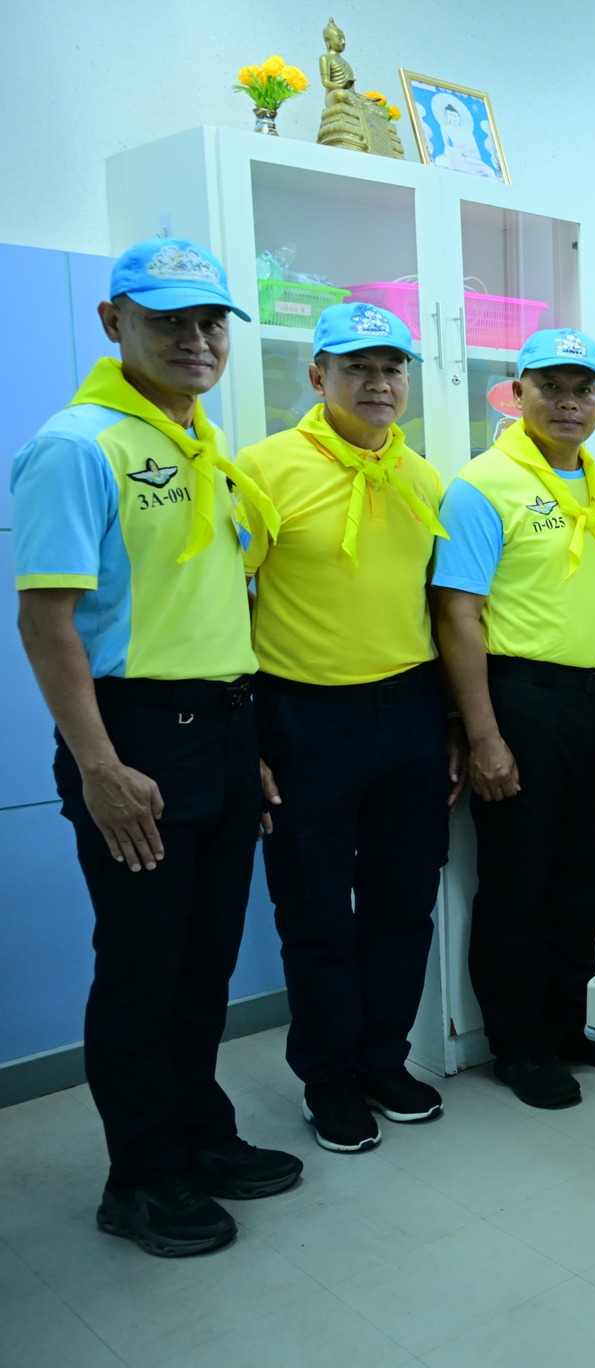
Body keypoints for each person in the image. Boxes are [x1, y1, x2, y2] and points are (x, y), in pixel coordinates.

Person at [10, 238, 302, 1256]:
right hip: (133, 741)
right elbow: (45, 621)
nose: (195, 339)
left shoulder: (200, 447)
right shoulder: (78, 446)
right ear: (113, 322)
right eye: (168, 319)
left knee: (203, 961)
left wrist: (243, 742)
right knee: (142, 969)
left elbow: (206, 611)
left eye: (210, 320)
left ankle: (198, 1134)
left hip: (221, 729)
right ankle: (139, 1176)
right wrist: (98, 766)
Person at [235, 302, 457, 1154]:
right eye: (357, 367)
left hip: (408, 712)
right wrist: (246, 734)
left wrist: (447, 721)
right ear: (316, 375)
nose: (378, 383)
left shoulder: (422, 476)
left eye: (392, 367)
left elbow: (434, 607)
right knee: (316, 909)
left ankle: (382, 1059)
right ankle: (327, 1076)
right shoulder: (265, 469)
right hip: (305, 719)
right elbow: (228, 599)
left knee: (404, 903)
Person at [432, 328, 595, 1111]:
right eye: (550, 387)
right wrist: (483, 734)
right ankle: (519, 1044)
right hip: (523, 698)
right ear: (517, 391)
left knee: (583, 876)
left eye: (583, 389)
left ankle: (570, 1023)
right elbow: (456, 615)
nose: (567, 402)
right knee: (518, 877)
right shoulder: (482, 485)